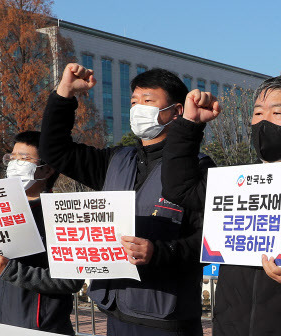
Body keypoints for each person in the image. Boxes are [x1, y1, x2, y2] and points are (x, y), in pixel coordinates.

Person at [39, 64, 213, 336]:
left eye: (148, 101)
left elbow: (209, 240)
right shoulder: (115, 160)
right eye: (133, 102)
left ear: (177, 111)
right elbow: (55, 151)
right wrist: (65, 94)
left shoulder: (198, 169)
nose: (137, 109)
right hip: (115, 311)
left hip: (167, 317)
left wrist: (160, 252)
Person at [161, 75, 281, 335]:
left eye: (277, 112)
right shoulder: (236, 182)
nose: (264, 121)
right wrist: (190, 125)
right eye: (257, 112)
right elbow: (180, 188)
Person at [0, 131, 80, 334]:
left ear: (47, 170)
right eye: (12, 157)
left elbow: (72, 280)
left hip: (41, 327)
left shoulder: (62, 214)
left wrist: (13, 271)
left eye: (24, 159)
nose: (15, 164)